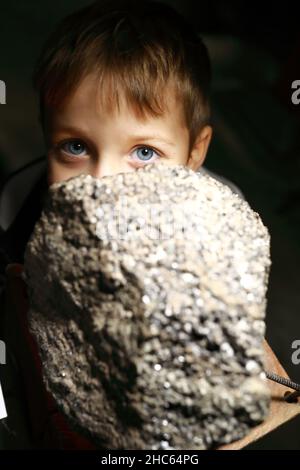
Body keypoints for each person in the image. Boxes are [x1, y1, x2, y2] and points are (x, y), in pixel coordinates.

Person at [0, 0, 298, 450]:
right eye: (76, 146)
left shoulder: (215, 220)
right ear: (47, 137)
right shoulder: (15, 210)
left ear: (194, 155)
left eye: (144, 153)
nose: (103, 182)